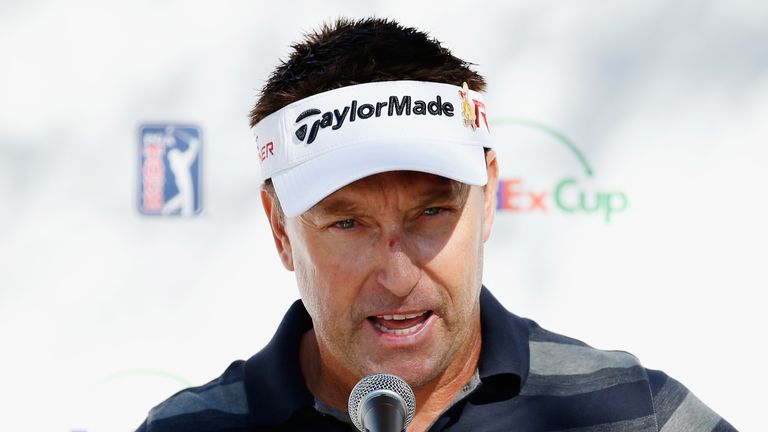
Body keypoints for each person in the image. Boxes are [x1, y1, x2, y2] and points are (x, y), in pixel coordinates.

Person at [137, 18, 736, 431]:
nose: (397, 277)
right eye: (347, 224)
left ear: (490, 197)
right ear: (279, 230)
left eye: (431, 212)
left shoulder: (634, 412)